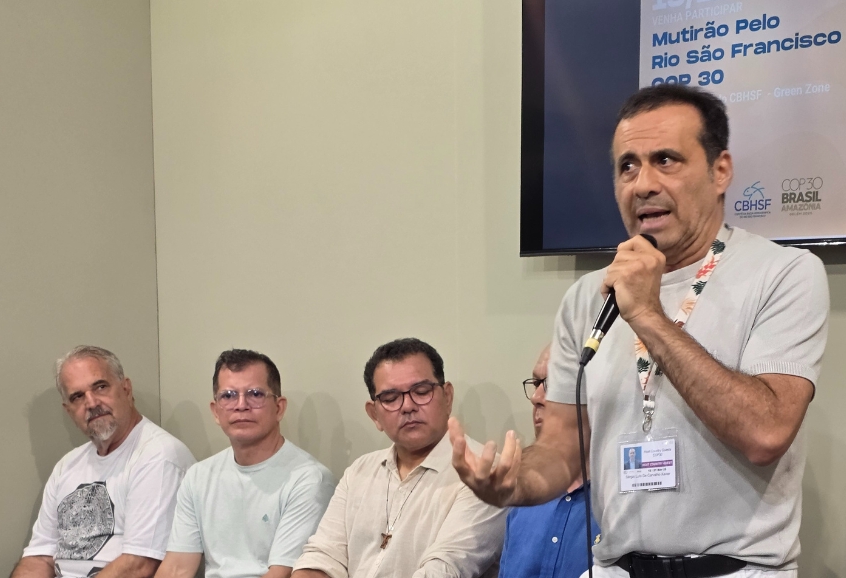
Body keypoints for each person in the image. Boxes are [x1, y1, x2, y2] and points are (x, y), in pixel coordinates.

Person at [450, 84, 829, 577]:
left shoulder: (785, 273)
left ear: (721, 171)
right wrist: (512, 483)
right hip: (616, 567)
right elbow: (563, 451)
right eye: (627, 166)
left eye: (665, 160)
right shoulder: (587, 296)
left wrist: (648, 313)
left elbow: (766, 431)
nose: (642, 184)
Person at [292, 338, 506, 578]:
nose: (407, 406)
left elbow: (445, 570)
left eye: (421, 392)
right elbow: (321, 556)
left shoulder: (483, 473)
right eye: (391, 398)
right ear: (374, 415)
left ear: (447, 397)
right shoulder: (360, 471)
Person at [12, 346, 196, 578]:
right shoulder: (66, 466)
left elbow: (139, 566)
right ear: (69, 411)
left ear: (126, 389)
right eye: (77, 396)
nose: (91, 402)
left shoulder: (159, 455)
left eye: (100, 386)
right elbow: (38, 558)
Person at [156, 349, 336, 578]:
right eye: (229, 396)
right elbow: (177, 568)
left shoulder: (309, 479)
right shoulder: (198, 476)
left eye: (255, 394)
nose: (241, 405)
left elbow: (281, 574)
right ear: (215, 411)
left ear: (279, 408)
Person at [499, 344, 600, 578]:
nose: (536, 397)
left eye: (554, 383)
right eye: (536, 383)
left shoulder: (629, 498)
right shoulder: (523, 495)